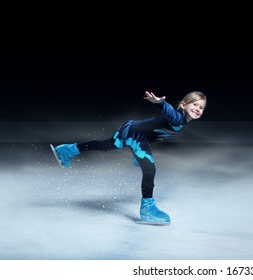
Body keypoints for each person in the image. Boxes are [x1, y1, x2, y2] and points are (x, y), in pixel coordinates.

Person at [50, 90, 207, 225]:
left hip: (135, 131)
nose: (197, 109)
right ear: (184, 104)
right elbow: (169, 113)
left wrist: (140, 155)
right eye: (194, 104)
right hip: (134, 133)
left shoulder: (183, 120)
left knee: (106, 146)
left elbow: (155, 133)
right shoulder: (178, 117)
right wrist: (159, 103)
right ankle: (148, 209)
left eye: (201, 107)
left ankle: (68, 150)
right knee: (149, 169)